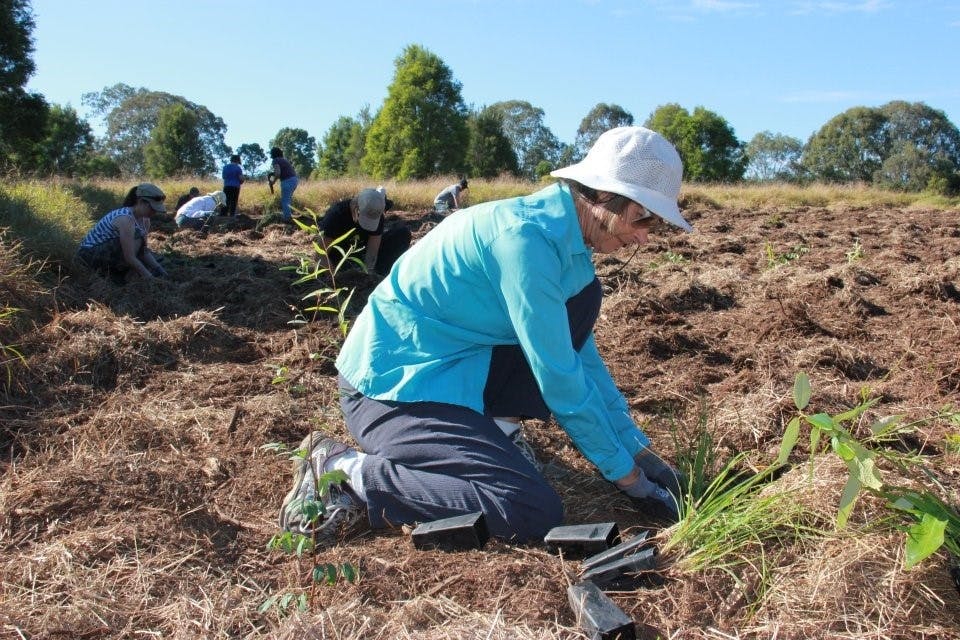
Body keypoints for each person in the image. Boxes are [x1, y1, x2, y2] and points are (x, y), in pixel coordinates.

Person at [278, 126, 694, 544]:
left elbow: (582, 361)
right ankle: (345, 473)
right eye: (643, 219)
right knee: (527, 509)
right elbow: (561, 382)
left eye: (654, 225)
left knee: (583, 300)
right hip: (390, 386)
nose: (644, 236)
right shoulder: (524, 243)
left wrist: (639, 451)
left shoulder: (570, 254)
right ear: (603, 197)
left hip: (455, 364)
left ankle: (498, 432)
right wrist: (628, 478)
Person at [77, 183, 169, 282]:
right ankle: (115, 275)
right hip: (88, 255)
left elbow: (144, 251)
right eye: (152, 208)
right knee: (137, 238)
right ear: (140, 201)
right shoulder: (125, 218)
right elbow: (129, 257)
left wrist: (160, 271)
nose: (154, 212)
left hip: (108, 253)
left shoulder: (145, 220)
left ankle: (121, 273)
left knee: (144, 250)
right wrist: (151, 279)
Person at [319, 187, 412, 277]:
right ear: (356, 207)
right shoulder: (336, 215)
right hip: (340, 259)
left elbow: (372, 252)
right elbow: (321, 254)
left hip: (362, 253)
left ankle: (381, 276)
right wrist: (336, 279)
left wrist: (368, 276)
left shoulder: (376, 212)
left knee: (402, 233)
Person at [268, 147, 298, 221]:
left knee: (285, 200)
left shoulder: (275, 160)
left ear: (273, 154)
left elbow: (278, 173)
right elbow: (281, 171)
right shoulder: (283, 160)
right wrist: (273, 173)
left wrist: (273, 182)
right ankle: (288, 216)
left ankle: (287, 218)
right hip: (294, 180)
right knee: (287, 199)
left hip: (287, 181)